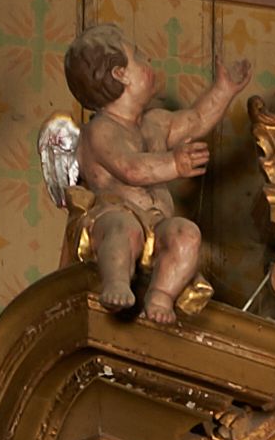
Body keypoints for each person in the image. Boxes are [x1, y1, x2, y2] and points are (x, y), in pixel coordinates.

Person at [61, 24, 251, 323]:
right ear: (119, 74)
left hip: (157, 222)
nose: (148, 59)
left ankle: (161, 295)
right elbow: (130, 168)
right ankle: (116, 282)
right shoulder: (101, 130)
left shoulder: (156, 123)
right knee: (123, 230)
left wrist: (224, 90)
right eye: (138, 56)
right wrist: (174, 164)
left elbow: (196, 119)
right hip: (114, 215)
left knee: (187, 235)